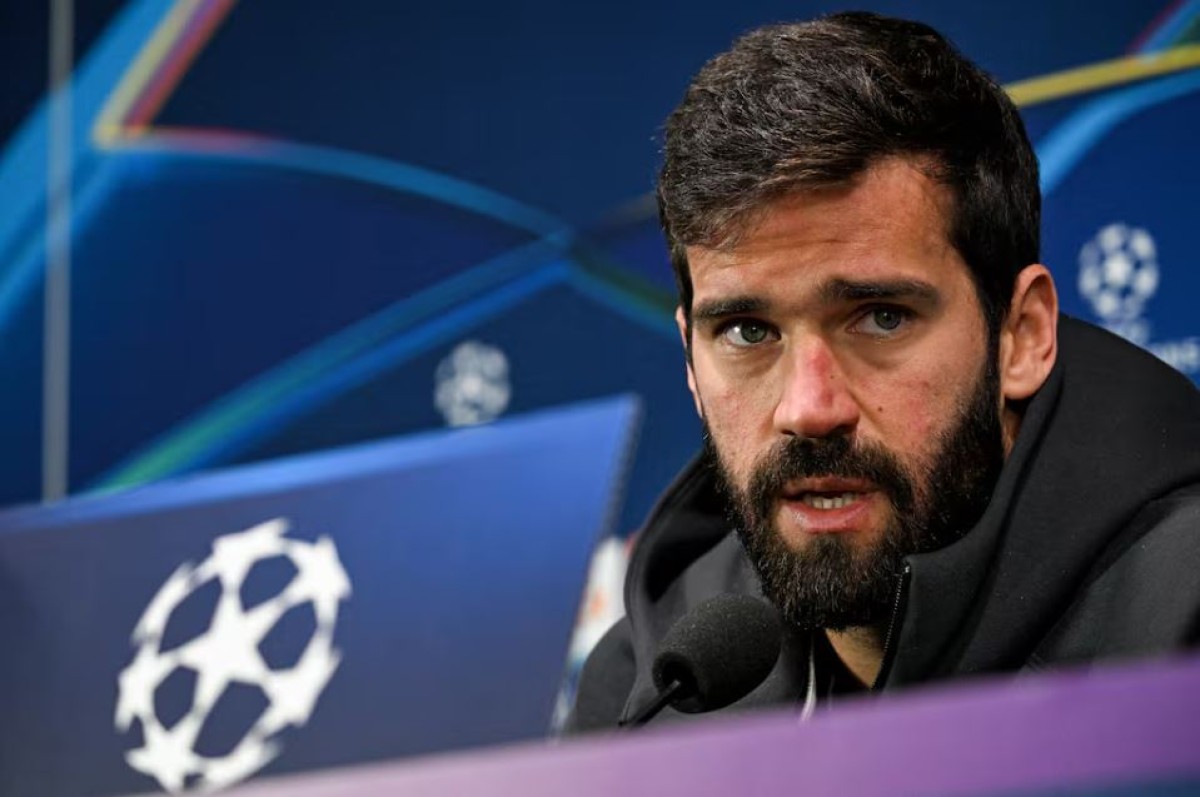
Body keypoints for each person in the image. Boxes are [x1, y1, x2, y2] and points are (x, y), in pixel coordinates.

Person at [567, 11, 1200, 732]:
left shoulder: (1180, 629)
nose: (809, 409)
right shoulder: (652, 687)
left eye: (881, 318)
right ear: (689, 356)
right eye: (748, 332)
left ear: (1022, 335)